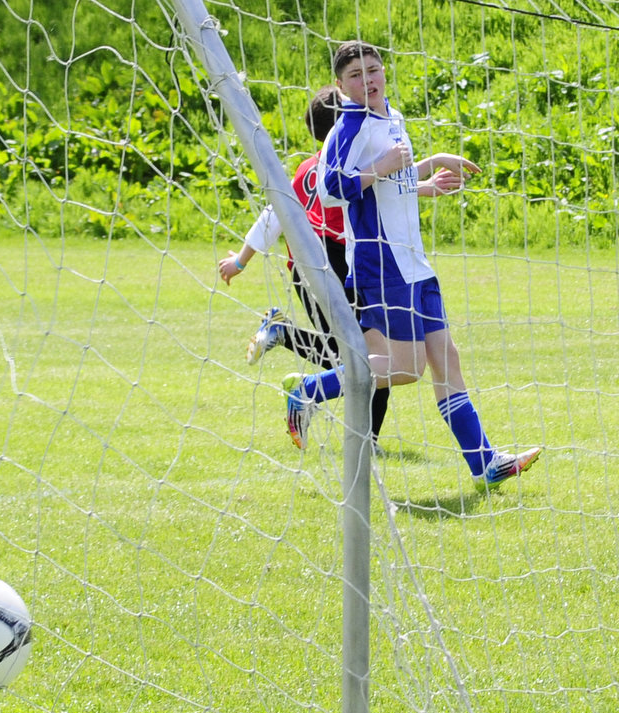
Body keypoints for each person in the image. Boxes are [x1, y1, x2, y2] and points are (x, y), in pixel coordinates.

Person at [284, 41, 542, 487]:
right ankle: (307, 391)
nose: (368, 80)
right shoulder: (347, 126)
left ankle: (485, 462)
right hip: (381, 262)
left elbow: (391, 181)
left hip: (413, 261)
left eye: (373, 69)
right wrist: (383, 166)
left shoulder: (391, 116)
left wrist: (428, 169)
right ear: (342, 85)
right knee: (404, 369)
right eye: (355, 75)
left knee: (447, 358)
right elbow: (328, 190)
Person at [218, 86, 390, 444]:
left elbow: (274, 215)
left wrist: (241, 260)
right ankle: (359, 434)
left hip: (309, 270)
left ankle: (365, 438)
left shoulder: (307, 167)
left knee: (358, 354)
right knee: (366, 355)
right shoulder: (346, 168)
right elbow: (276, 214)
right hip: (334, 264)